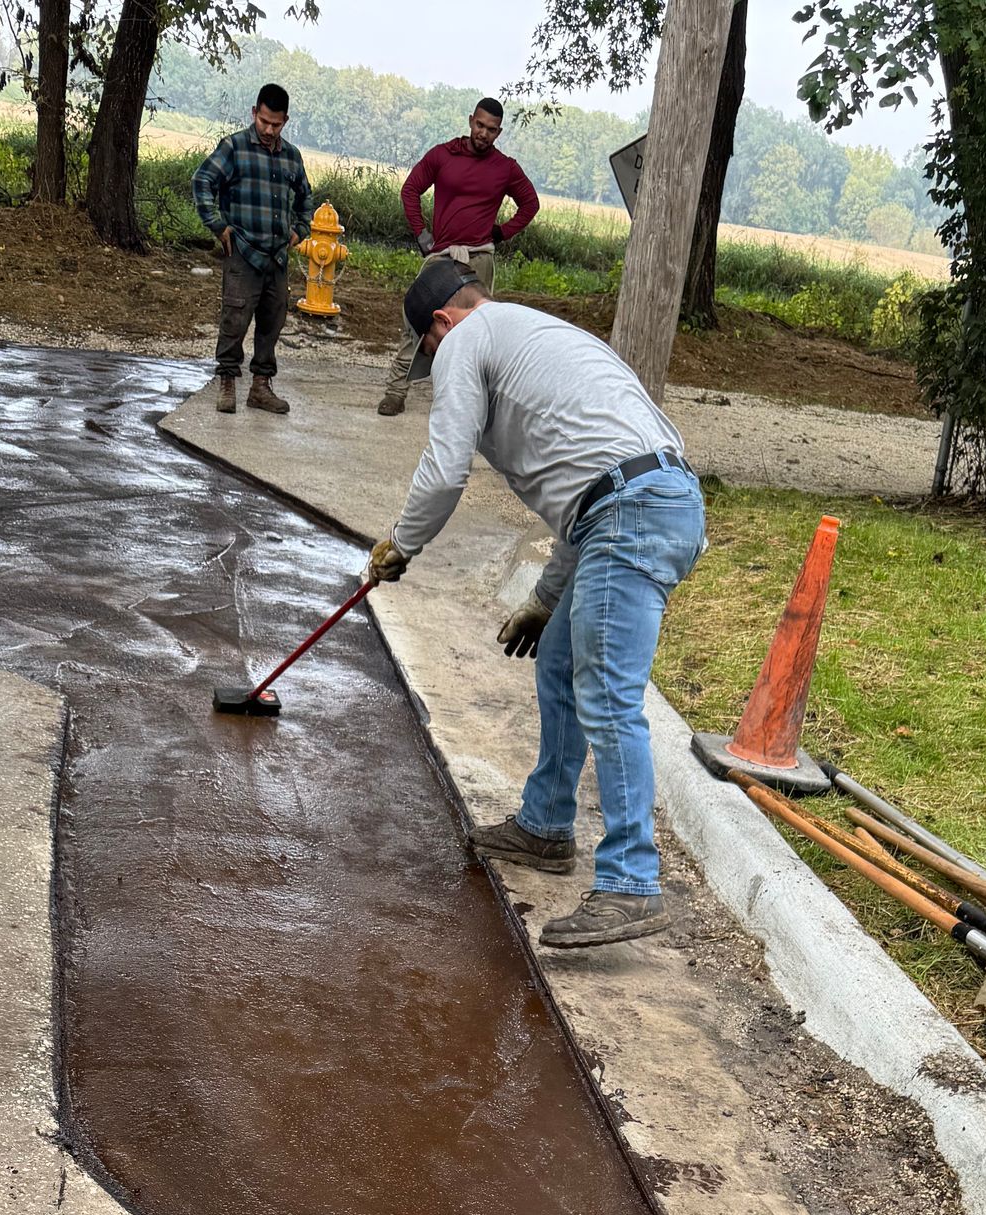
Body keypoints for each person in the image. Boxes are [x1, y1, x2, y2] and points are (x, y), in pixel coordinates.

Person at [365, 260, 705, 950]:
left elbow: (446, 466)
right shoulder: (531, 332)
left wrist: (402, 544)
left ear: (440, 324)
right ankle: (546, 825)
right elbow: (590, 491)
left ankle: (632, 882)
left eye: (429, 354)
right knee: (558, 661)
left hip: (632, 512)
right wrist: (547, 599)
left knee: (608, 695)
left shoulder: (465, 339)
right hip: (641, 504)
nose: (438, 367)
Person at [377, 99, 539, 419]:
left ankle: (466, 404)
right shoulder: (443, 154)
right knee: (418, 321)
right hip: (442, 258)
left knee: (479, 334)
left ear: (499, 132)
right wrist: (422, 235)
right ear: (470, 121)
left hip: (478, 258)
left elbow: (530, 204)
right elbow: (410, 190)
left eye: (491, 130)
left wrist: (501, 233)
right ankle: (395, 392)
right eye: (479, 125)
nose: (483, 134)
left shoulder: (505, 168)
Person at [192, 83, 313, 417]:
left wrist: (300, 229)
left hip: (277, 256)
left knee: (272, 321)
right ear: (254, 113)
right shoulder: (234, 147)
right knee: (235, 318)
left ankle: (261, 387)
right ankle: (227, 383)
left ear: (285, 120)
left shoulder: (291, 156)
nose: (269, 129)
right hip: (243, 251)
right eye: (263, 121)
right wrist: (218, 225)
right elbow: (202, 181)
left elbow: (305, 197)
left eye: (276, 124)